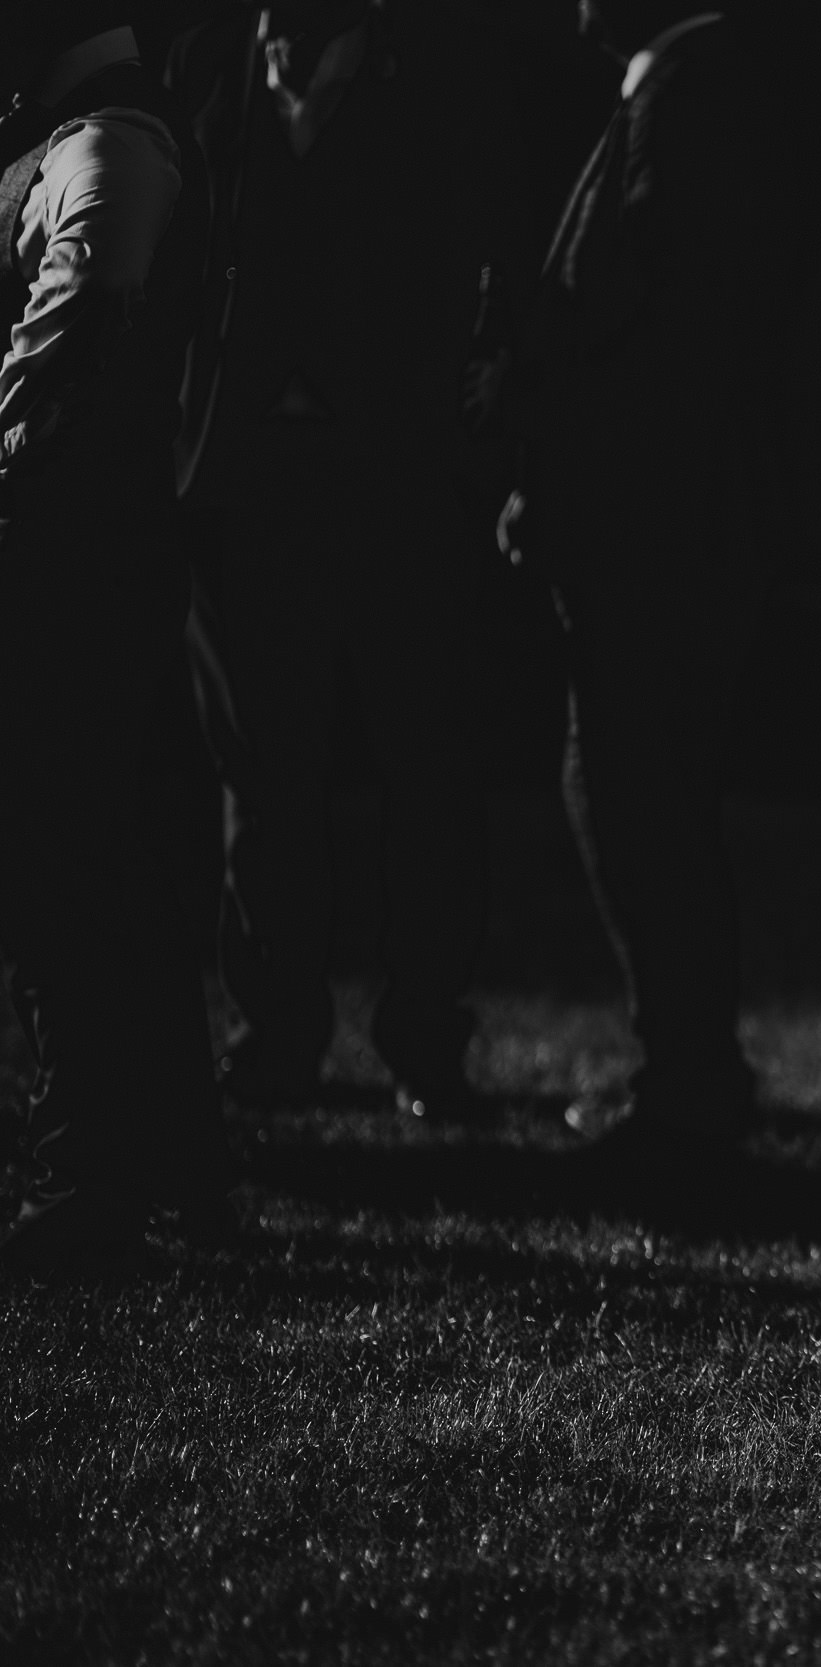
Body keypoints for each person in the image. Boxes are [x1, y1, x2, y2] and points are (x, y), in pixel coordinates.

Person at [166, 0, 525, 1121]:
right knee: (263, 777)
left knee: (429, 768)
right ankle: (276, 1036)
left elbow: (495, 240)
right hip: (247, 486)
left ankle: (425, 1040)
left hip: (399, 482)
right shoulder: (210, 69)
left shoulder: (443, 75)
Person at [497, 0, 794, 1173]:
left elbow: (661, 332)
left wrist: (555, 456)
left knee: (633, 792)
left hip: (655, 519)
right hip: (661, 511)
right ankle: (684, 1070)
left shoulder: (691, 95)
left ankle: (688, 1086)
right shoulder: (683, 90)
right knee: (634, 789)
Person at [0, 3, 236, 1273]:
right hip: (86, 556)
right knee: (112, 873)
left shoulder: (109, 144)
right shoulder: (82, 137)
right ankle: (177, 1172)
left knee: (60, 876)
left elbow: (82, 320)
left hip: (65, 565)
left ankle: (89, 1176)